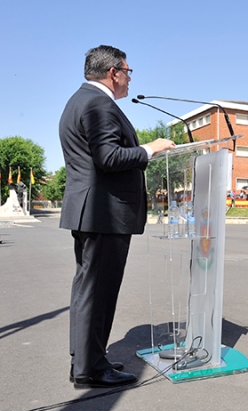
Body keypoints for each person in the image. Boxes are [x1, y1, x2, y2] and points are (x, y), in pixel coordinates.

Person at [60, 45, 175, 389]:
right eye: (128, 71)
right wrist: (149, 149)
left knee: (89, 291)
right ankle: (90, 369)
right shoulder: (98, 104)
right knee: (98, 293)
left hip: (92, 213)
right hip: (103, 214)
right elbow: (108, 157)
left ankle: (85, 361)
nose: (128, 78)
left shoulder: (78, 100)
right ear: (113, 72)